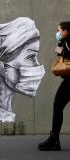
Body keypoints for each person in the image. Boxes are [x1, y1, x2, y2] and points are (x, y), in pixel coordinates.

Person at [38, 22, 70, 151]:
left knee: (57, 107)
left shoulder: (68, 40)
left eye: (59, 30)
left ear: (66, 31)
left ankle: (54, 140)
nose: (57, 32)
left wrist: (61, 50)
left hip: (69, 82)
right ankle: (54, 139)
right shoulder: (65, 40)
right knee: (57, 107)